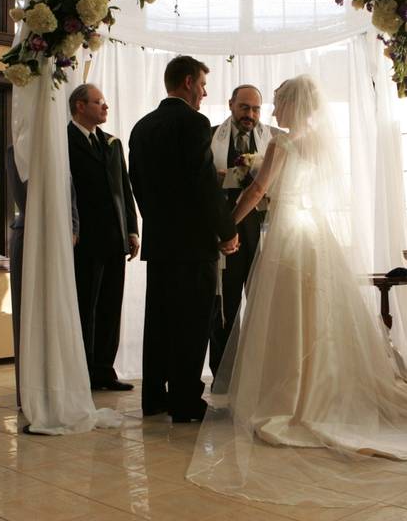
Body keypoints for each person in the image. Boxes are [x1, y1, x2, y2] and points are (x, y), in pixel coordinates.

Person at [187, 76, 407, 505]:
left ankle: (290, 398)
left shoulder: (281, 145)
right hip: (316, 234)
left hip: (289, 236)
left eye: (278, 105)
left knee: (287, 315)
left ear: (293, 107)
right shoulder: (322, 145)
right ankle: (317, 391)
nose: (272, 112)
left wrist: (227, 226)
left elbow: (258, 190)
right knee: (317, 316)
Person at [129, 56, 239, 422]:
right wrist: (226, 231)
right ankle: (185, 402)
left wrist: (156, 222)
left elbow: (138, 185)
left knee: (159, 323)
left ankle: (153, 399)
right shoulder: (194, 123)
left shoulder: (141, 127)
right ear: (189, 82)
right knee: (192, 325)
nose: (205, 93)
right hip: (193, 245)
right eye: (203, 85)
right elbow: (204, 185)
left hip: (160, 242)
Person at [68, 84, 138, 391]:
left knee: (111, 305)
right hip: (85, 240)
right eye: (99, 103)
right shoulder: (65, 141)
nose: (105, 108)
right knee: (87, 305)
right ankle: (82, 372)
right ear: (80, 106)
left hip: (114, 239)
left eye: (105, 103)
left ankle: (104, 371)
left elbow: (124, 188)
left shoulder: (111, 143)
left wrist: (132, 230)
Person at [208, 85, 282, 376]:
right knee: (224, 306)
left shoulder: (274, 138)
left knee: (264, 305)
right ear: (231, 105)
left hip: (262, 231)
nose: (250, 115)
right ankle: (224, 375)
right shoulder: (210, 135)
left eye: (255, 109)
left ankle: (259, 374)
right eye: (244, 108)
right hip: (224, 232)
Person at [5, 145, 80, 407]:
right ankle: (30, 392)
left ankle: (59, 386)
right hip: (32, 236)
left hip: (61, 239)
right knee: (28, 318)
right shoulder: (18, 150)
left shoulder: (58, 146)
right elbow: (26, 197)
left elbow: (69, 193)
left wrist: (71, 226)